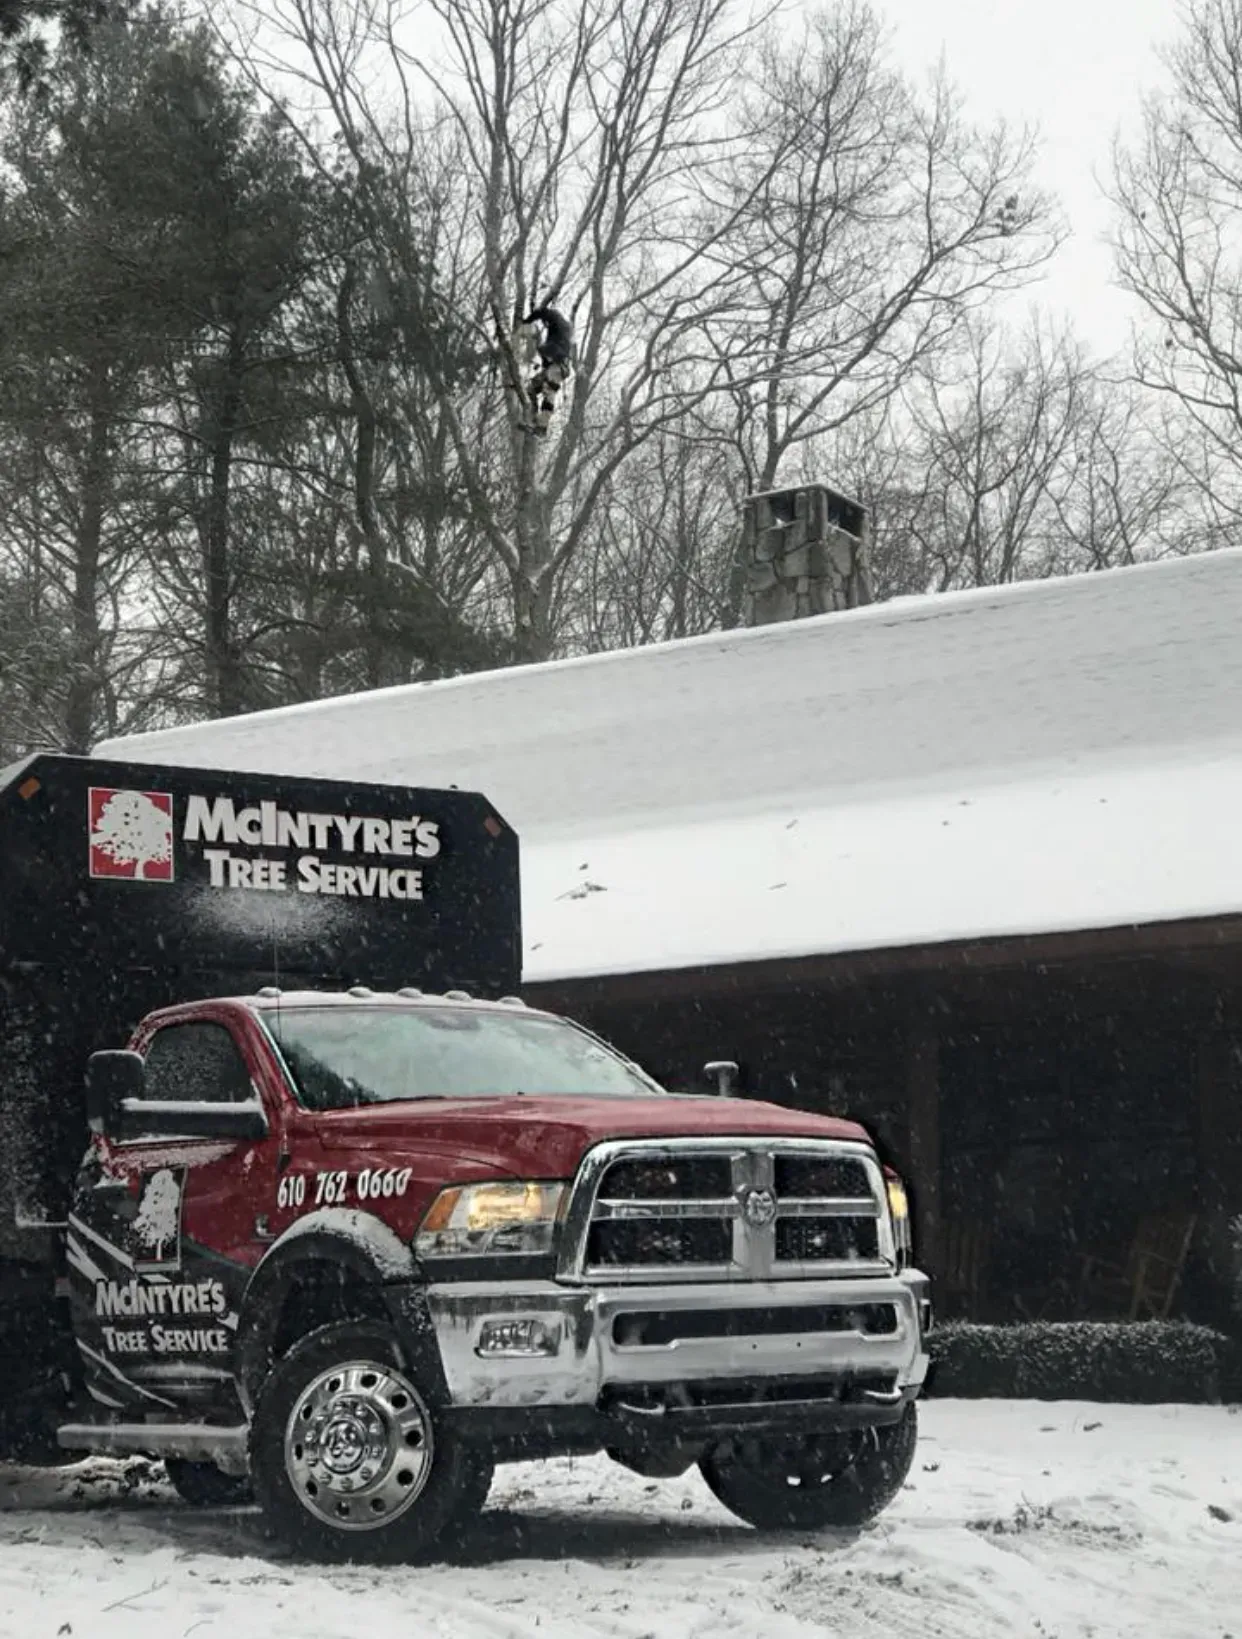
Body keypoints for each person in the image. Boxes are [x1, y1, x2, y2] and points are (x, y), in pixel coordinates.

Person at [523, 304, 574, 435]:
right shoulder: (560, 332)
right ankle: (533, 418)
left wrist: (528, 320)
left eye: (546, 322)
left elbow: (544, 312)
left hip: (558, 367)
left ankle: (542, 426)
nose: (545, 324)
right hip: (552, 366)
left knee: (549, 390)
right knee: (531, 388)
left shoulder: (557, 320)